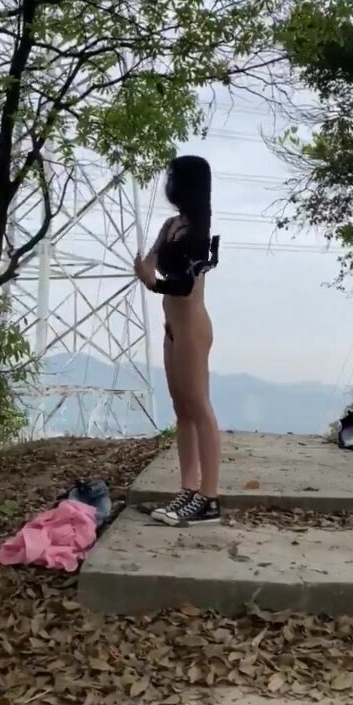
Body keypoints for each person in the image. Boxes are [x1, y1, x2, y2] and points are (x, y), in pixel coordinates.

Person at [134, 155, 221, 526]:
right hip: (172, 327)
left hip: (192, 328)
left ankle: (209, 498)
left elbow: (184, 286)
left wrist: (152, 283)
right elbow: (152, 260)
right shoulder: (171, 225)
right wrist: (146, 267)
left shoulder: (200, 234)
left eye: (173, 177)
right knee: (182, 410)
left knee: (199, 407)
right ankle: (188, 488)